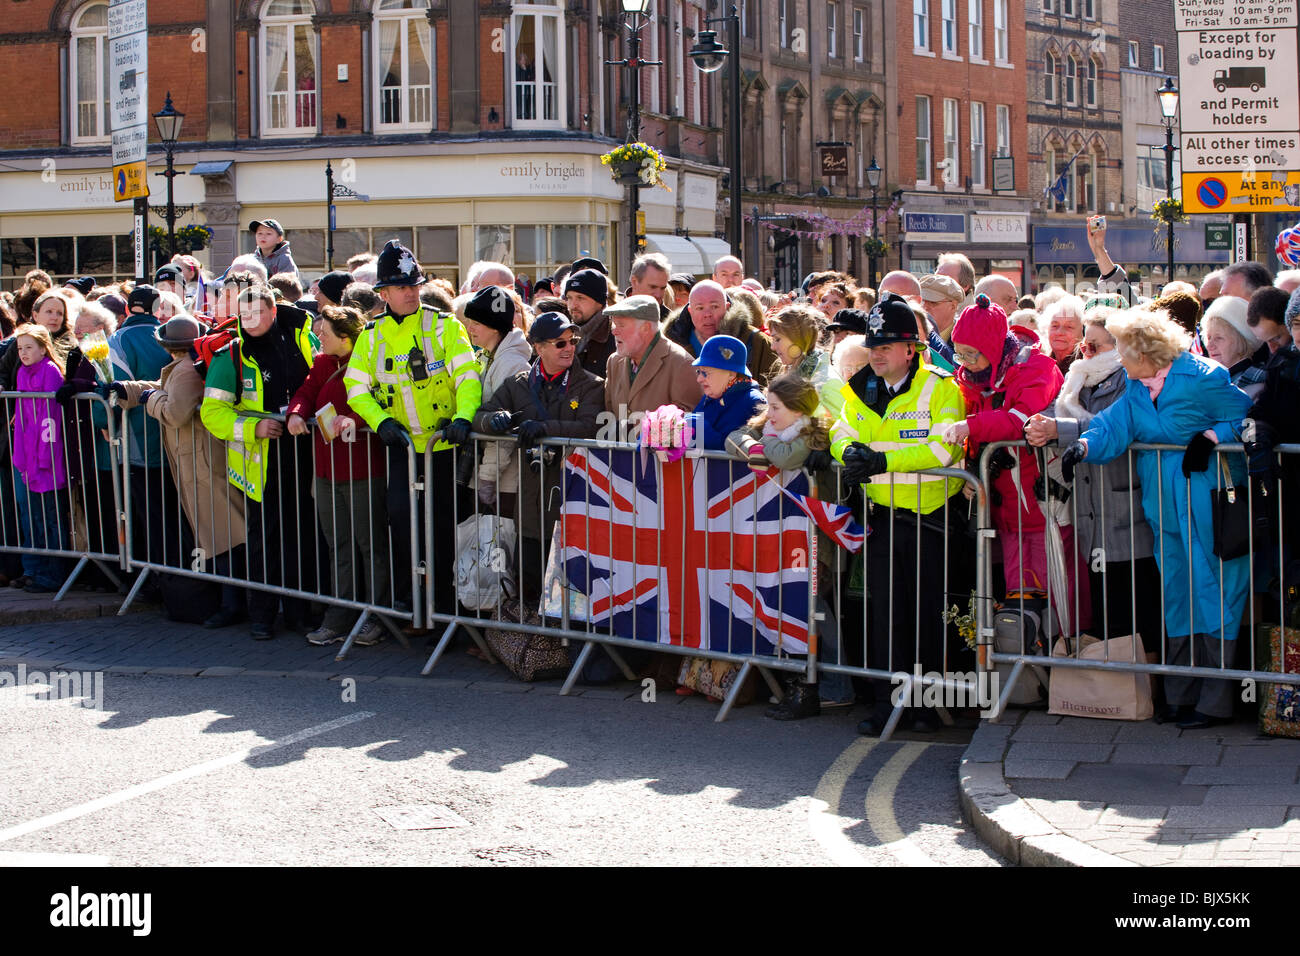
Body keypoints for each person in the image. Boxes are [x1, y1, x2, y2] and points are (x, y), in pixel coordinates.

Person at [1057, 309, 1252, 729]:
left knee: (1214, 593)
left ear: (1146, 352)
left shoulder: (1203, 376)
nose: (1118, 361)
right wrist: (1084, 447)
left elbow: (1247, 417)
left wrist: (1213, 437)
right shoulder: (1135, 382)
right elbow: (1114, 424)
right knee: (1178, 594)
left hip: (1207, 500)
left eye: (1123, 352)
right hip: (1163, 503)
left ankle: (1215, 701)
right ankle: (1181, 695)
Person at [828, 294, 969, 735]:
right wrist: (848, 450)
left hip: (932, 519)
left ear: (911, 349)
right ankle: (890, 705)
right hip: (886, 517)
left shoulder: (941, 387)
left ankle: (925, 707)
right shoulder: (861, 389)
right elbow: (840, 431)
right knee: (886, 616)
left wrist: (884, 462)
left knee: (930, 617)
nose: (877, 354)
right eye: (873, 347)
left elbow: (945, 448)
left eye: (886, 347)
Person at [345, 240, 481, 625]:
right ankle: (411, 608)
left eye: (413, 286)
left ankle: (445, 610)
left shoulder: (444, 327)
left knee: (442, 532)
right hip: (401, 451)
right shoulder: (371, 336)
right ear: (383, 293)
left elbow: (467, 377)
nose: (410, 293)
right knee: (403, 527)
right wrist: (381, 422)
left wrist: (464, 417)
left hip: (443, 446)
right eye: (401, 287)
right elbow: (355, 389)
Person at [1025, 313, 1160, 644]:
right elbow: (1057, 414)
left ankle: (1141, 693)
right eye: (1083, 345)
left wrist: (1061, 430)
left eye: (1094, 346)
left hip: (1125, 514)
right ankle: (1108, 693)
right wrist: (1039, 423)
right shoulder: (1078, 379)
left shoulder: (1131, 378)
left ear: (1119, 348)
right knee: (1103, 619)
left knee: (1136, 623)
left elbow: (1118, 427)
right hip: (1091, 515)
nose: (1085, 352)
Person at [112, 316, 249, 629]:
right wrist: (133, 390)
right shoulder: (188, 364)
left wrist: (149, 399)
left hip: (201, 461)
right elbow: (164, 390)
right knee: (218, 533)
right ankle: (231, 602)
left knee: (221, 534)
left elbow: (175, 411)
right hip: (197, 459)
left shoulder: (185, 369)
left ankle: (232, 605)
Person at [725, 373, 849, 718]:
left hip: (815, 537)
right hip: (784, 533)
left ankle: (833, 687)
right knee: (797, 608)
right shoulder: (770, 427)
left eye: (777, 407)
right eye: (768, 405)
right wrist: (751, 446)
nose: (770, 412)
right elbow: (733, 438)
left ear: (798, 410)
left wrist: (760, 448)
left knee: (817, 611)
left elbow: (790, 458)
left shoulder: (816, 434)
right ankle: (804, 684)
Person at [201, 285, 319, 640]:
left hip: (305, 454)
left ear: (273, 311)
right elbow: (212, 412)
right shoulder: (230, 355)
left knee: (303, 535)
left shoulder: (304, 341)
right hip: (262, 461)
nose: (250, 320)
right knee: (264, 540)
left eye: (257, 313)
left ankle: (301, 613)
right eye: (244, 314)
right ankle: (262, 616)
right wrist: (254, 427)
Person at [946, 294, 1069, 622]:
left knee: (1049, 590)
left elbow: (1020, 420)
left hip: (1041, 501)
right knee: (1014, 591)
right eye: (959, 353)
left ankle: (1051, 654)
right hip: (1006, 506)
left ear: (991, 347)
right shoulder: (973, 379)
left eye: (972, 353)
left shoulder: (1035, 368)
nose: (965, 362)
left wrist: (969, 427)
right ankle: (1021, 654)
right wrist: (973, 468)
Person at [473, 311, 604, 604]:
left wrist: (545, 428)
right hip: (530, 502)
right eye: (560, 343)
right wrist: (495, 420)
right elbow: (479, 418)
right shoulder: (518, 384)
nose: (569, 347)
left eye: (572, 341)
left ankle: (565, 645)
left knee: (571, 588)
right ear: (539, 347)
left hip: (572, 496)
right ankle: (532, 645)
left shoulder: (591, 384)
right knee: (528, 583)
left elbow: (589, 426)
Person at [287, 306, 389, 647]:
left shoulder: (370, 362)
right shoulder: (321, 363)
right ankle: (340, 615)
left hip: (362, 469)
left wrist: (356, 421)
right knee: (338, 546)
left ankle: (374, 615)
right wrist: (296, 414)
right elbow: (304, 393)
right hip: (326, 469)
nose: (320, 338)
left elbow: (381, 404)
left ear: (344, 338)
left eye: (325, 333)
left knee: (369, 545)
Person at [110, 284, 183, 574]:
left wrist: (106, 423)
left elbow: (113, 390)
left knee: (145, 514)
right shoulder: (167, 336)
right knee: (170, 513)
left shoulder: (118, 339)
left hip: (136, 436)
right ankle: (173, 576)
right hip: (173, 432)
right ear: (157, 309)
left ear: (128, 308)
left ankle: (155, 578)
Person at [460, 285, 532, 513]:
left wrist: (488, 477)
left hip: (503, 480)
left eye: (477, 323)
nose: (469, 328)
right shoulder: (490, 357)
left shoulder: (510, 363)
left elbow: (506, 424)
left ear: (494, 327)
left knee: (497, 546)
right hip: (489, 472)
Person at [9, 324, 68, 594]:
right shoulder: (22, 372)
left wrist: (44, 457)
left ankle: (54, 574)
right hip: (29, 455)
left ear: (44, 348)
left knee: (51, 518)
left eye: (29, 347)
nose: (23, 353)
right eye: (20, 348)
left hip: (47, 455)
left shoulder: (51, 372)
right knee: (34, 517)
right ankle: (38, 570)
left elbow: (50, 418)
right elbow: (22, 417)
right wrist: (21, 456)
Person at [603, 294, 700, 435]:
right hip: (622, 455)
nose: (614, 331)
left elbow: (688, 427)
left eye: (621, 325)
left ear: (646, 328)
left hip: (659, 456)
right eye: (614, 324)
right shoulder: (614, 362)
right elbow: (610, 413)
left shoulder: (681, 363)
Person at [689, 335, 765, 451]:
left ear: (731, 374)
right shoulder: (711, 396)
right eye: (698, 371)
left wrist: (700, 428)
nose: (699, 379)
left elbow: (738, 450)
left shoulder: (753, 402)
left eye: (705, 373)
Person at [766, 303, 844, 416]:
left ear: (797, 339)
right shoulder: (790, 371)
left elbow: (837, 430)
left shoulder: (828, 381)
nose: (772, 347)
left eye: (777, 339)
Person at [1202, 295, 1267, 398]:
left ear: (1241, 341)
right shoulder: (1210, 379)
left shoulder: (1254, 384)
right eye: (1208, 337)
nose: (1210, 346)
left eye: (1219, 338)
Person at [562, 268, 616, 379]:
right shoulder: (564, 334)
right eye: (569, 298)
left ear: (600, 302)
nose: (573, 305)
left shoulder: (616, 337)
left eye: (580, 298)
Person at [919, 273, 964, 370]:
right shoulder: (915, 335)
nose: (924, 307)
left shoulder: (966, 338)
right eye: (922, 301)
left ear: (953, 305)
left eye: (933, 303)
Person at [1042, 294, 1085, 375]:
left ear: (1083, 333)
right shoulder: (1041, 364)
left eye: (1069, 327)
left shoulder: (1085, 370)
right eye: (1055, 326)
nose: (1059, 332)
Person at [628, 253, 672, 319]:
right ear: (634, 282)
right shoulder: (613, 315)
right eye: (653, 287)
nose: (658, 294)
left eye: (663, 288)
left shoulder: (672, 322)